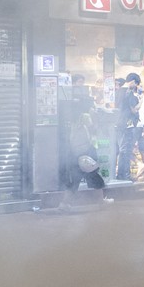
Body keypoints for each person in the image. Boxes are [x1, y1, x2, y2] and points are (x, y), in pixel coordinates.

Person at [60, 75, 113, 209]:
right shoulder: (84, 116)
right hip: (85, 150)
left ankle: (65, 203)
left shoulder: (71, 115)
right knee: (94, 176)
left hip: (75, 151)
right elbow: (93, 127)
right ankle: (100, 202)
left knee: (75, 179)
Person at [115, 73, 141, 181]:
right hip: (127, 125)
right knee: (125, 151)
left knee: (122, 150)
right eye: (136, 84)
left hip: (119, 124)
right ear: (133, 82)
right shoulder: (129, 93)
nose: (136, 87)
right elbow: (134, 110)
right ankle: (124, 176)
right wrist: (141, 101)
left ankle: (121, 175)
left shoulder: (119, 91)